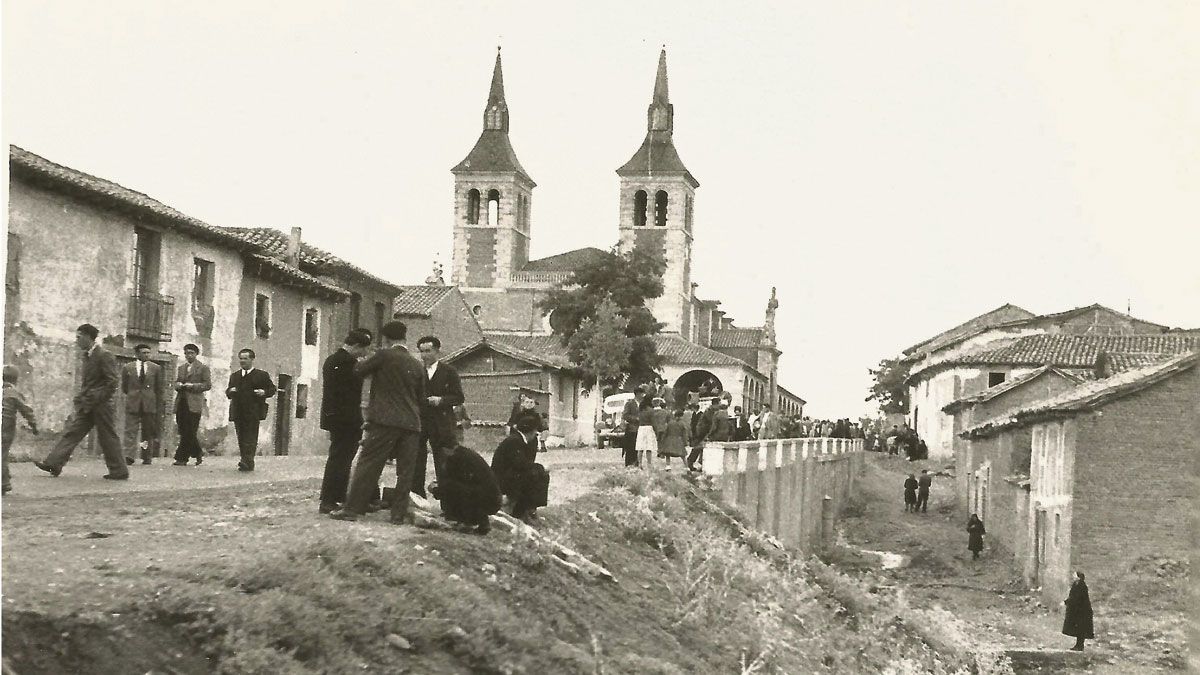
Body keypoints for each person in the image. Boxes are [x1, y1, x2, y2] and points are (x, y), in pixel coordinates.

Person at [331, 321, 425, 524]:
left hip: (385, 421)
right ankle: (398, 515)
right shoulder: (417, 364)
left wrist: (365, 360)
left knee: (369, 464)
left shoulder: (384, 355)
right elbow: (421, 397)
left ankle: (352, 510)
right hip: (411, 424)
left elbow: (357, 371)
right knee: (406, 471)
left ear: (386, 339)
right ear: (404, 337)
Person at [36, 324, 129, 480]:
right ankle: (53, 463)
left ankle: (119, 471)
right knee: (73, 432)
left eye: (79, 337)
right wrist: (82, 396)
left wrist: (95, 396)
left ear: (88, 337)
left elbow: (112, 382)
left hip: (101, 405)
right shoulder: (87, 356)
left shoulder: (104, 355)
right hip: (88, 404)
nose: (77, 340)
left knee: (107, 436)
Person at [317, 329, 373, 514]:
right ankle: (329, 499)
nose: (364, 354)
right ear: (356, 346)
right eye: (363, 350)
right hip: (346, 419)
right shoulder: (347, 362)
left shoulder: (332, 360)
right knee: (340, 459)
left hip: (337, 418)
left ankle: (336, 497)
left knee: (340, 458)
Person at [413, 336, 464, 498]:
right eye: (421, 351)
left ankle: (447, 502)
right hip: (420, 421)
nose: (424, 355)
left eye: (428, 351)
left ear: (437, 351)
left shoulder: (449, 371)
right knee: (416, 461)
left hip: (442, 423)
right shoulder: (417, 371)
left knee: (443, 462)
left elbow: (458, 397)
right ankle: (418, 497)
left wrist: (441, 400)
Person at [430, 443, 501, 535]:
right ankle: (469, 520)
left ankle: (470, 522)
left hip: (488, 500)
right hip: (491, 497)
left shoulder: (458, 458)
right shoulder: (464, 454)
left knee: (456, 488)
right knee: (461, 488)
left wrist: (436, 490)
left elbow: (455, 487)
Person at [225, 349, 277, 472]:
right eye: (241, 358)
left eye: (245, 358)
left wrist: (263, 392)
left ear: (252, 359)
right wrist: (230, 391)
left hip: (253, 411)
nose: (242, 361)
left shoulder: (261, 375)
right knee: (241, 437)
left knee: (251, 437)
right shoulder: (235, 376)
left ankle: (248, 461)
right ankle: (245, 460)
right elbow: (228, 391)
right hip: (238, 411)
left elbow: (272, 389)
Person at [491, 415, 549, 522]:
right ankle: (519, 512)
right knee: (532, 475)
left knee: (541, 474)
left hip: (511, 475)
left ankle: (531, 508)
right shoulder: (514, 441)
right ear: (531, 431)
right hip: (502, 479)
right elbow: (519, 464)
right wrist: (540, 466)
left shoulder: (522, 440)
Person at [121, 344, 161, 466]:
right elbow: (125, 387)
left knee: (147, 431)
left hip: (149, 403)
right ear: (137, 354)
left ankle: (146, 456)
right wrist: (133, 395)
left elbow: (159, 388)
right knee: (130, 430)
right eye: (144, 353)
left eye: (148, 352)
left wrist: (156, 403)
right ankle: (129, 456)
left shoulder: (156, 368)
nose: (147, 355)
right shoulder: (128, 367)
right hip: (133, 402)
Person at [172, 344, 211, 466]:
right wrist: (177, 385)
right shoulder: (181, 368)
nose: (189, 355)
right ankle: (198, 452)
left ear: (196, 354)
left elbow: (207, 385)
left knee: (190, 429)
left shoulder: (203, 368)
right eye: (187, 353)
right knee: (183, 430)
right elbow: (177, 382)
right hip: (182, 402)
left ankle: (182, 458)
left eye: (191, 353)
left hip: (194, 403)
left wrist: (193, 386)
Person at [3, 366, 39, 494]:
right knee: (3, 453)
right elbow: (26, 410)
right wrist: (33, 425)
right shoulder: (14, 393)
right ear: (16, 380)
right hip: (6, 428)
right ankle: (4, 483)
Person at [1062, 572, 1094, 651]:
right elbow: (1073, 597)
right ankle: (1078, 645)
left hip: (1083, 612)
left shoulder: (1081, 586)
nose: (1073, 576)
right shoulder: (1075, 585)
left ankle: (1080, 646)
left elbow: (1077, 598)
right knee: (1078, 629)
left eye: (1074, 575)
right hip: (1078, 611)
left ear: (1078, 577)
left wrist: (1067, 602)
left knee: (1081, 629)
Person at [635, 390, 659, 468]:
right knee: (649, 447)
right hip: (649, 428)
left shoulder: (640, 409)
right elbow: (654, 422)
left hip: (641, 428)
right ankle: (649, 463)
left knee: (640, 447)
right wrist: (656, 431)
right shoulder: (651, 410)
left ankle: (640, 463)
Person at [621, 388, 644, 467]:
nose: (642, 395)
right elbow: (625, 415)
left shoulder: (643, 404)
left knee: (639, 447)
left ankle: (636, 462)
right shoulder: (629, 403)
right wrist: (635, 418)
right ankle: (629, 463)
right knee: (631, 447)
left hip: (641, 428)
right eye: (641, 394)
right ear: (637, 394)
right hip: (631, 429)